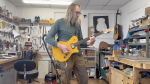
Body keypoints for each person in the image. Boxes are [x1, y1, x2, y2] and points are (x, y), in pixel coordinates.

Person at [45, 3, 96, 84]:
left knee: (84, 78)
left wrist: (90, 43)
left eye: (79, 13)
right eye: (77, 12)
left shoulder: (77, 25)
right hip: (65, 56)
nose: (78, 15)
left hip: (78, 55)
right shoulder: (59, 22)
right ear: (70, 11)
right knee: (65, 80)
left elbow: (80, 41)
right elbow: (48, 38)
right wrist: (60, 46)